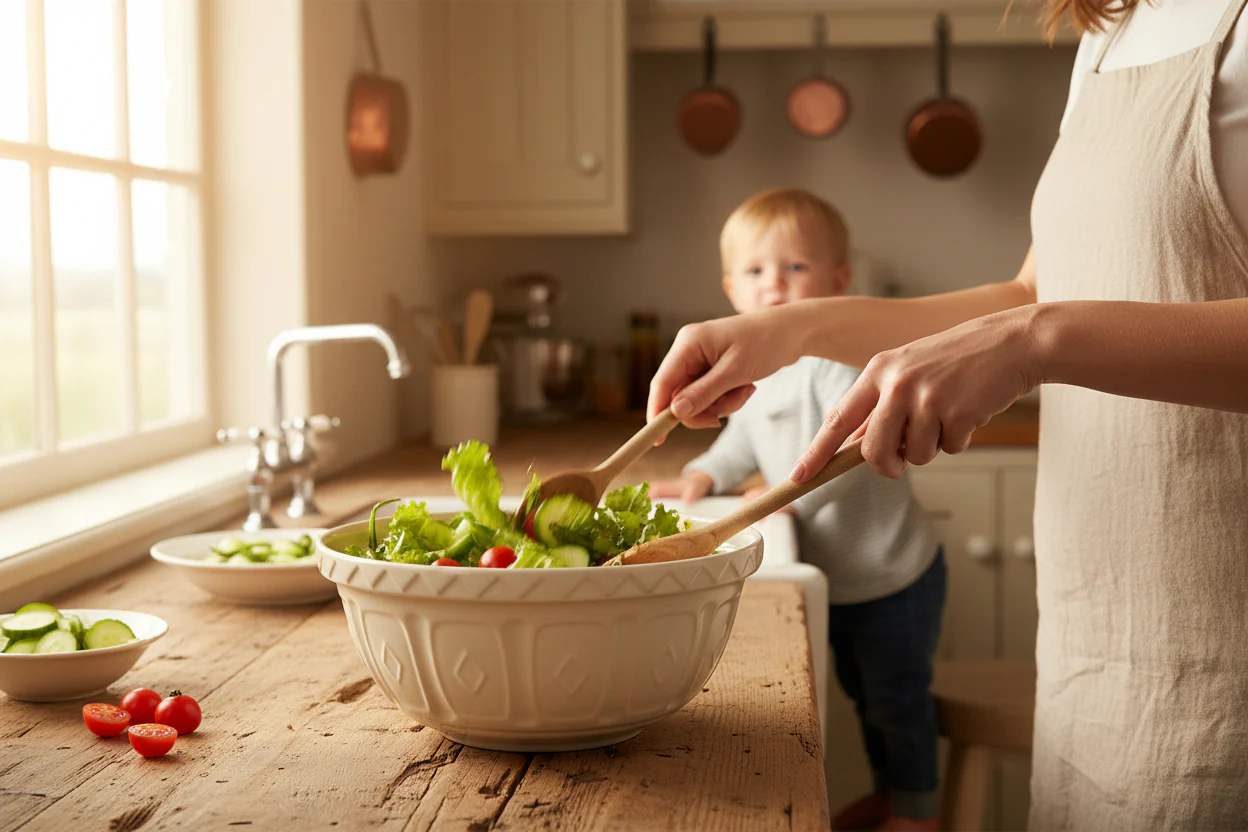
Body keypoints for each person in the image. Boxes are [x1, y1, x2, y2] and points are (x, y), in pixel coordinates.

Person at [647, 0, 1248, 827]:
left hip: (1227, 649)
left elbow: (1040, 318)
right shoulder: (1115, 29)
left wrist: (1035, 339)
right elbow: (1035, 290)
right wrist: (793, 327)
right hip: (1098, 634)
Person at [651, 188, 945, 831]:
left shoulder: (841, 364)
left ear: (839, 283)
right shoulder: (760, 372)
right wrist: (704, 472)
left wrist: (774, 496)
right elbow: (744, 435)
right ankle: (894, 795)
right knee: (862, 697)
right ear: (732, 289)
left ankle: (918, 812)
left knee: (895, 700)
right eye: (756, 271)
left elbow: (851, 452)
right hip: (838, 578)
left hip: (893, 577)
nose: (775, 285)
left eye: (796, 267)